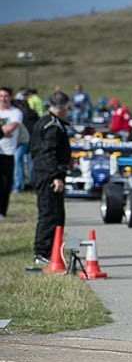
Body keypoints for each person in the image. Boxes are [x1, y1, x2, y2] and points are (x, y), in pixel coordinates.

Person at [29, 91, 71, 264]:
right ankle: (42, 252)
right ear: (63, 107)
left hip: (43, 172)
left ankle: (53, 251)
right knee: (50, 214)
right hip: (48, 176)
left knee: (57, 215)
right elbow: (47, 153)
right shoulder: (52, 126)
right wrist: (55, 176)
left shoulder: (46, 122)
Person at [0, 86, 24, 220]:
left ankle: (2, 211)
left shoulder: (16, 113)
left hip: (7, 151)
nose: (3, 99)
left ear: (10, 97)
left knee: (4, 183)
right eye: (0, 96)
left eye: (5, 96)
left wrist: (4, 130)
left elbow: (10, 128)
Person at [12, 98, 37, 192]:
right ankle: (31, 183)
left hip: (21, 140)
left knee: (17, 161)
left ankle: (18, 185)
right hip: (30, 139)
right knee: (30, 162)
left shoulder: (17, 114)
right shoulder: (33, 114)